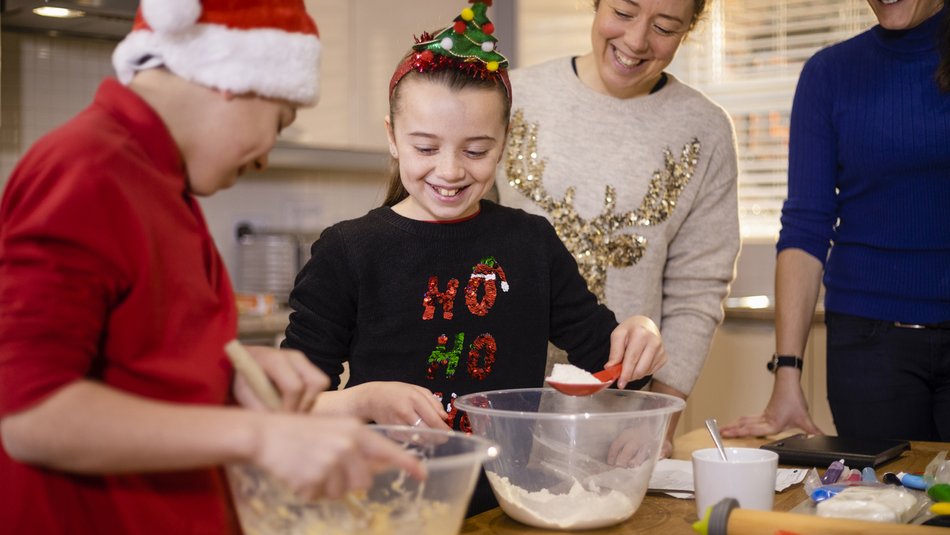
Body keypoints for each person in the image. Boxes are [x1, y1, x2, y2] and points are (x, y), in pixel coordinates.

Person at [0, 1, 424, 533]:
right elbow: (34, 417)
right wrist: (259, 436)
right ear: (235, 77)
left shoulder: (160, 180)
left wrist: (229, 371)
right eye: (279, 121)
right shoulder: (86, 171)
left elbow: (134, 362)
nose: (266, 156)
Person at [282, 0, 667, 517]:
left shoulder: (530, 244)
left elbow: (611, 365)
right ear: (393, 139)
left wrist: (641, 333)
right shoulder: (349, 250)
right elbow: (288, 409)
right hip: (382, 512)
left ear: (505, 142)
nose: (450, 170)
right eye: (425, 147)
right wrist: (362, 400)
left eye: (476, 150)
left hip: (506, 509)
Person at [494, 0, 740, 456]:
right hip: (504, 408)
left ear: (689, 29)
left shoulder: (705, 129)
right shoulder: (514, 96)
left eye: (665, 27)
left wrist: (660, 417)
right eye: (623, 14)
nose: (636, 41)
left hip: (621, 421)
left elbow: (697, 289)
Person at [722, 0, 950, 442]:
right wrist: (786, 373)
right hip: (869, 351)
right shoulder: (830, 74)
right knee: (880, 507)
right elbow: (806, 226)